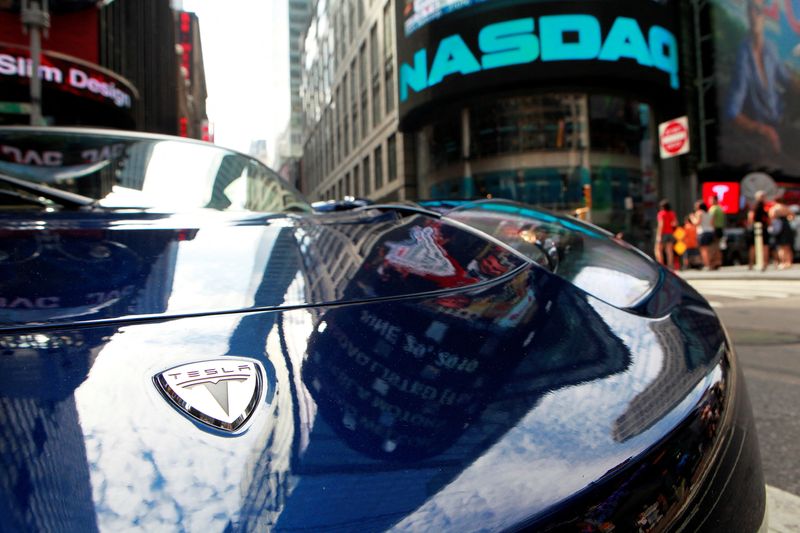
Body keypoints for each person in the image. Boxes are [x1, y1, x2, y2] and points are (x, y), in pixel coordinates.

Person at [726, 0, 800, 165]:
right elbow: (732, 112)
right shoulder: (743, 58)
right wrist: (762, 130)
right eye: (751, 9)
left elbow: (787, 80)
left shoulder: (771, 49)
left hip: (783, 120)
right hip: (764, 130)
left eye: (758, 10)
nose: (754, 15)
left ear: (764, 16)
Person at [747, 190, 770, 270]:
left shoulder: (765, 206)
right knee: (754, 246)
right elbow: (751, 216)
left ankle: (764, 263)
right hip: (757, 228)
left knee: (764, 246)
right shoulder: (755, 206)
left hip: (761, 228)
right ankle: (752, 263)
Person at [769, 199, 795, 269]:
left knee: (781, 247)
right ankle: (789, 262)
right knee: (788, 247)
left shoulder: (774, 208)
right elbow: (792, 216)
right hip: (786, 226)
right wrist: (788, 219)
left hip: (779, 228)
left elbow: (771, 217)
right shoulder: (785, 207)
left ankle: (783, 262)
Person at [691, 201, 715, 270]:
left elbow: (697, 223)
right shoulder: (710, 213)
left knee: (703, 250)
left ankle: (707, 265)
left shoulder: (699, 213)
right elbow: (712, 224)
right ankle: (710, 264)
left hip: (703, 232)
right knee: (709, 249)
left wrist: (692, 218)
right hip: (710, 232)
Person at [654, 199, 677, 269]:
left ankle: (661, 265)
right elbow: (675, 223)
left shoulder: (661, 213)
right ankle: (670, 265)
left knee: (658, 249)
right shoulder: (672, 213)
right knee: (669, 251)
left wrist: (659, 235)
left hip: (663, 233)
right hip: (670, 233)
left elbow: (661, 225)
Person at [708, 195, 726, 269]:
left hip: (714, 229)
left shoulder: (713, 209)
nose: (709, 201)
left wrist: (711, 228)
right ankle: (719, 261)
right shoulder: (720, 208)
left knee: (713, 247)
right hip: (720, 229)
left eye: (711, 200)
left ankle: (713, 263)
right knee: (718, 246)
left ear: (715, 200)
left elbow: (711, 220)